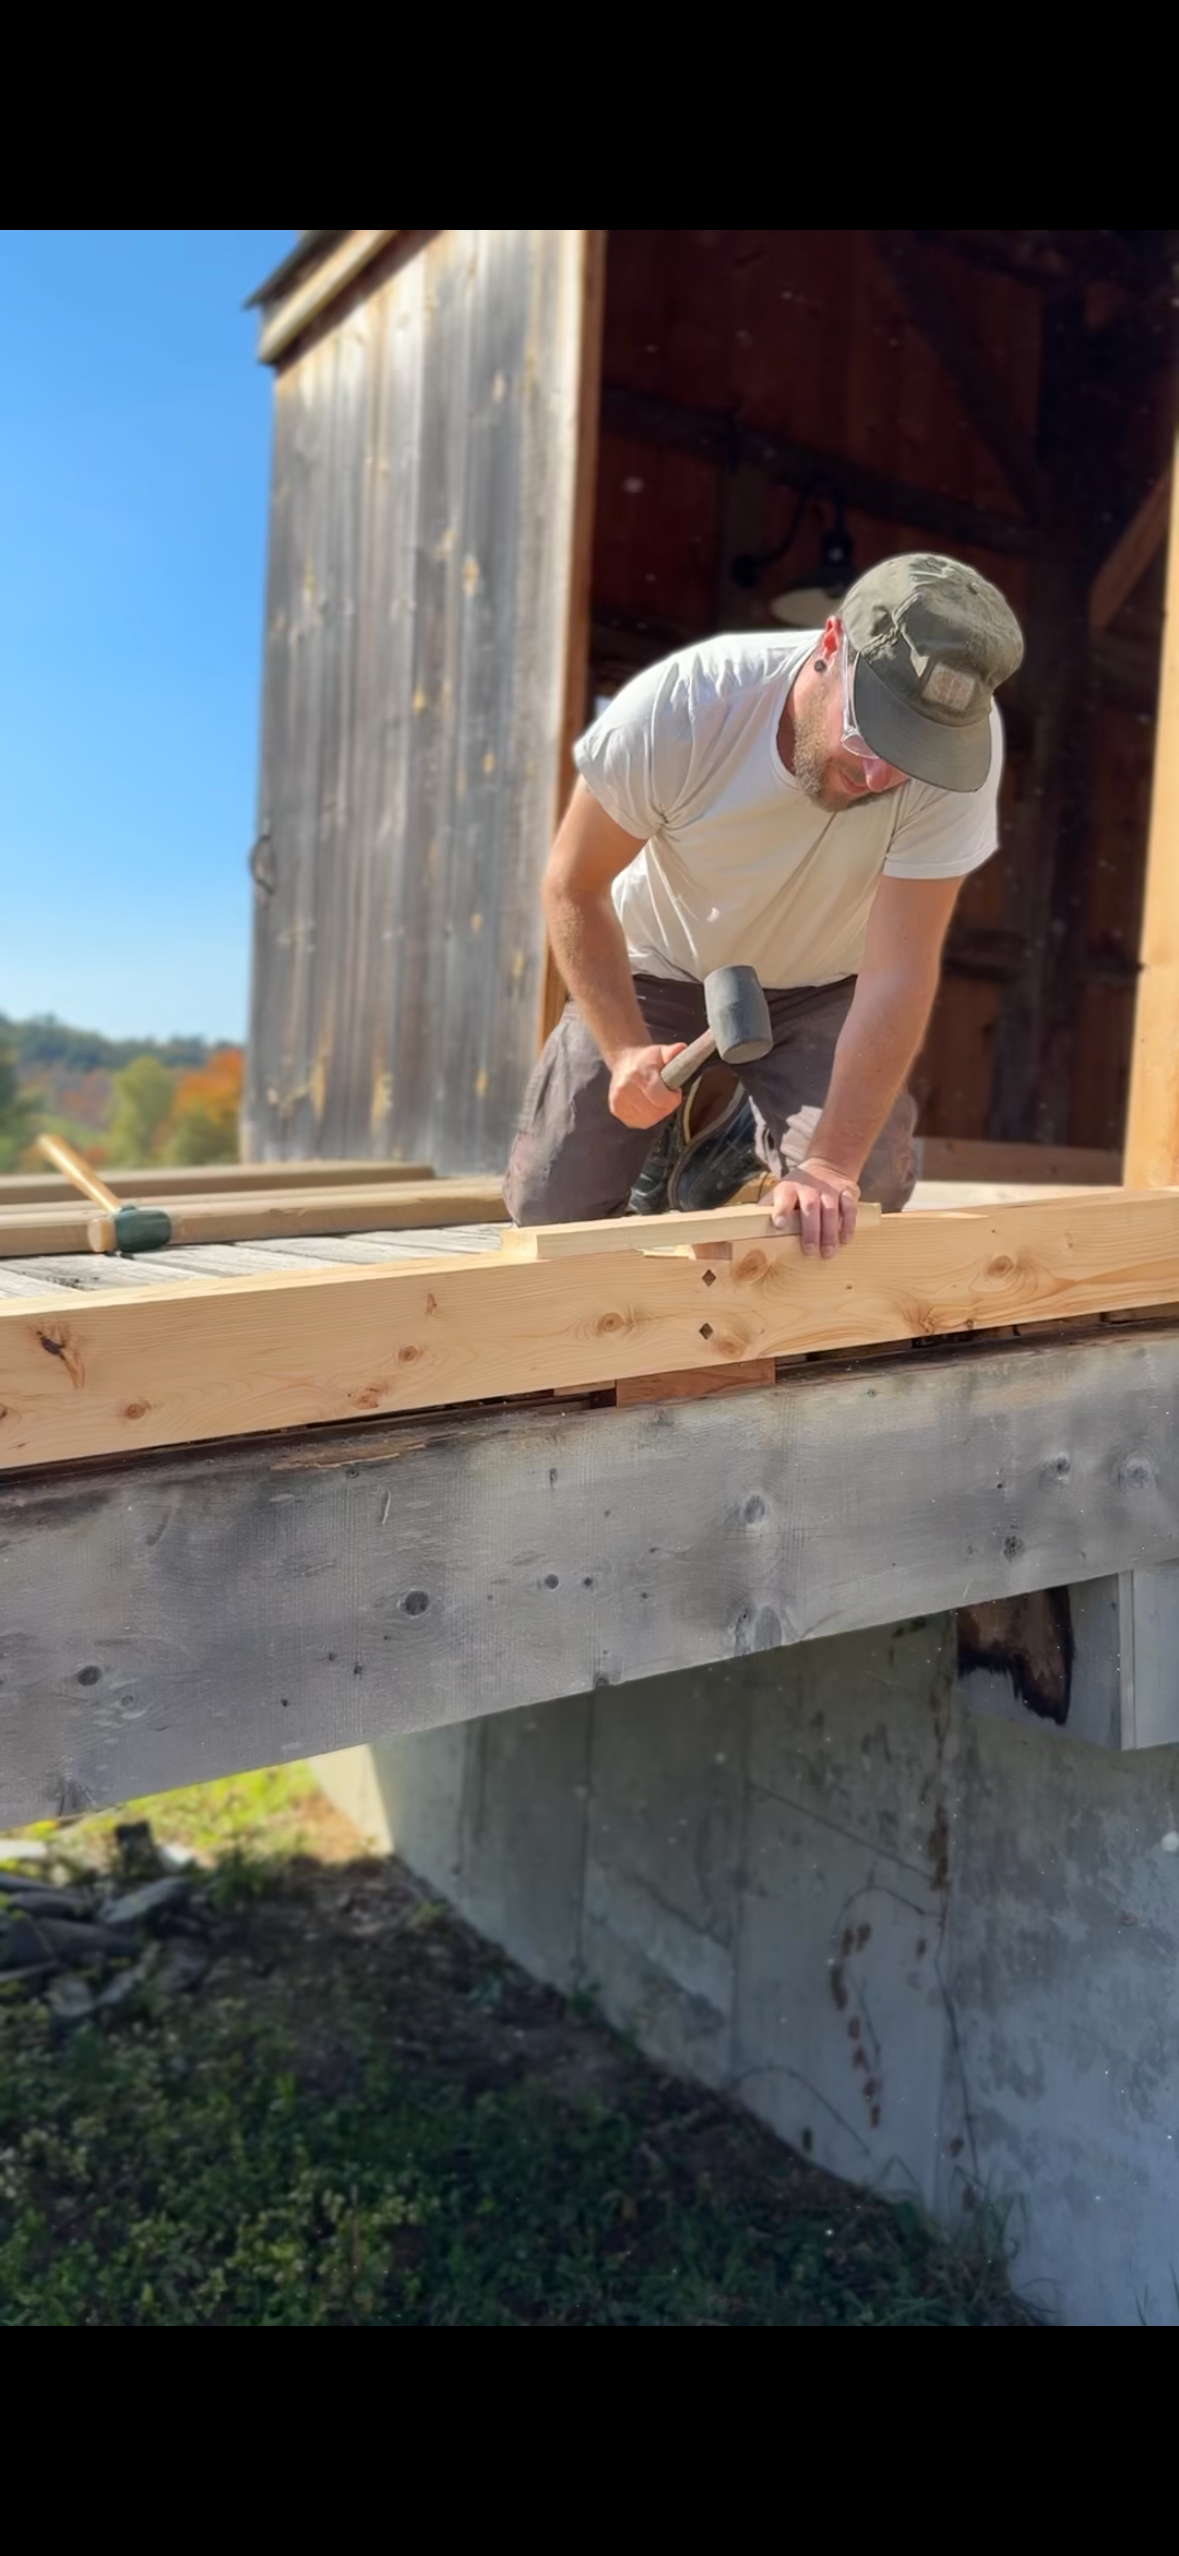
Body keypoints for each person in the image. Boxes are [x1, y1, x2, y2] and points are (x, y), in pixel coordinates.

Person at [504, 553, 1025, 1256]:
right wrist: (623, 1048)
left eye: (911, 752)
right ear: (831, 645)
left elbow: (901, 968)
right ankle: (672, 1131)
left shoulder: (962, 753)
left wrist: (831, 1162)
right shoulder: (686, 705)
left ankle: (736, 1133)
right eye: (871, 731)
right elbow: (574, 884)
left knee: (854, 1204)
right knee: (551, 1212)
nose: (879, 773)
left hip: (822, 989)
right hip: (657, 969)